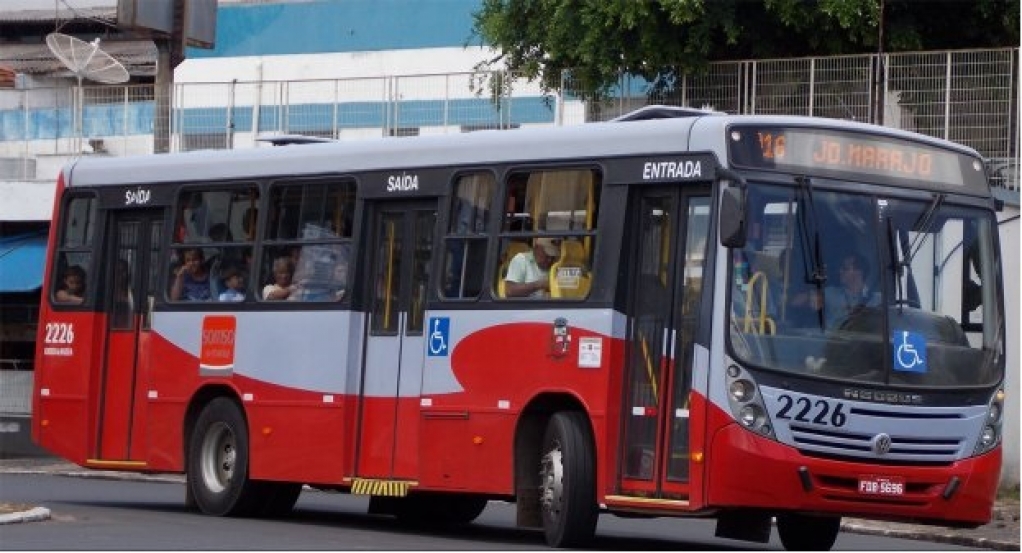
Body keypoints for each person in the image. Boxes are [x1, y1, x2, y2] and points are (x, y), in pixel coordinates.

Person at [814, 252, 880, 327]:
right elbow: (800, 300)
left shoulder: (878, 301)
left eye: (844, 268)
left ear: (859, 272)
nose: (840, 271)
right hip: (831, 338)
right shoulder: (829, 293)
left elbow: (892, 329)